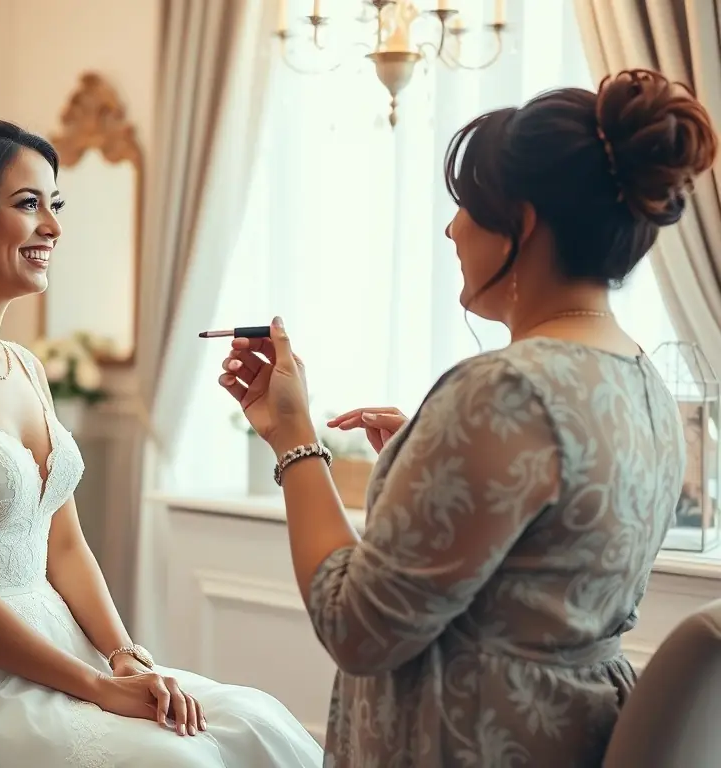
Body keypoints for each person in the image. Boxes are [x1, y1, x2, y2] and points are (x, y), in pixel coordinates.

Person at [220, 69, 718, 767]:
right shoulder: (646, 384)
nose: (451, 228)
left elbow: (355, 628)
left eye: (464, 205)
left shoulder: (505, 391)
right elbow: (543, 565)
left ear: (522, 222)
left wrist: (293, 438)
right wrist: (421, 466)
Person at [0, 114, 324, 767]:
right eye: (28, 204)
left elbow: (66, 544)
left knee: (256, 723)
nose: (53, 226)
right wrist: (101, 690)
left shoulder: (25, 368)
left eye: (56, 204)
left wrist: (124, 654)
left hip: (57, 645)